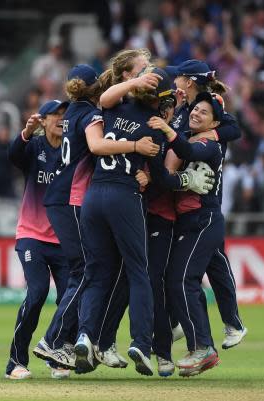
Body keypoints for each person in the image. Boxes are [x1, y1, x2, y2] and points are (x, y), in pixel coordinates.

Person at [74, 68, 215, 376]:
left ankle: (85, 336)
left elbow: (105, 99)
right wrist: (184, 178)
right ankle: (139, 341)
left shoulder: (112, 108)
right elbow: (162, 179)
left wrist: (134, 82)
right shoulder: (153, 127)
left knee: (97, 274)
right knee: (139, 272)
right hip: (124, 197)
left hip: (93, 196)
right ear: (160, 101)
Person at [33, 64, 160, 370]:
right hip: (74, 198)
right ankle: (55, 342)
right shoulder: (92, 114)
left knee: (93, 272)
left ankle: (85, 341)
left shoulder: (74, 111)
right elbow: (96, 145)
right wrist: (135, 147)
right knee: (87, 273)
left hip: (63, 198)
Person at [165, 59, 247, 349]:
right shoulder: (181, 107)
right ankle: (228, 324)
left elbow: (233, 129)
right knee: (213, 259)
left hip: (203, 189)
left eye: (178, 78)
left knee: (207, 264)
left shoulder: (208, 102)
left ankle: (228, 325)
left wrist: (211, 134)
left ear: (188, 80)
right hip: (186, 196)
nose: (175, 82)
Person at [149, 92, 229, 376]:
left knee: (182, 279)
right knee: (177, 280)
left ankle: (204, 346)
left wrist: (168, 130)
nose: (195, 114)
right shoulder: (189, 136)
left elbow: (191, 153)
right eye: (195, 109)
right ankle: (199, 346)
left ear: (214, 123)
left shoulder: (208, 142)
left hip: (203, 220)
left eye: (204, 112)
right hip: (189, 222)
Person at [5, 100, 71, 380]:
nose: (60, 118)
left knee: (71, 297)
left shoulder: (73, 148)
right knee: (37, 293)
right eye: (54, 114)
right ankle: (15, 362)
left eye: (63, 114)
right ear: (43, 120)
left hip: (64, 239)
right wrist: (26, 132)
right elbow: (13, 156)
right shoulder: (34, 147)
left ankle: (56, 355)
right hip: (32, 235)